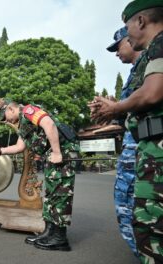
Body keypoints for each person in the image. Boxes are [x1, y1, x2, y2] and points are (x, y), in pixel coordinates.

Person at [91, 2, 163, 262]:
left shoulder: (159, 44)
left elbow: (153, 93)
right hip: (146, 148)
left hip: (154, 152)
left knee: (150, 230)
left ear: (141, 21)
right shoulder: (147, 59)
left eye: (127, 28)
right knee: (143, 224)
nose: (127, 35)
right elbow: (131, 117)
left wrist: (116, 107)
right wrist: (112, 112)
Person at [0, 102, 79, 251]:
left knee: (61, 194)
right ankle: (49, 232)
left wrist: (56, 152)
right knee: (51, 194)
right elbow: (19, 147)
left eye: (5, 117)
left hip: (63, 153)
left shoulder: (29, 111)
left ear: (11, 108)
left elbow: (49, 124)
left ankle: (60, 238)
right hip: (52, 156)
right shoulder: (23, 124)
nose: (6, 121)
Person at [107, 26, 142, 257]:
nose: (116, 53)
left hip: (143, 151)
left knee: (134, 208)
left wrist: (116, 108)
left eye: (118, 47)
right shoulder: (135, 73)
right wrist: (111, 111)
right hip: (134, 147)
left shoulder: (151, 67)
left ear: (130, 40)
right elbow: (126, 119)